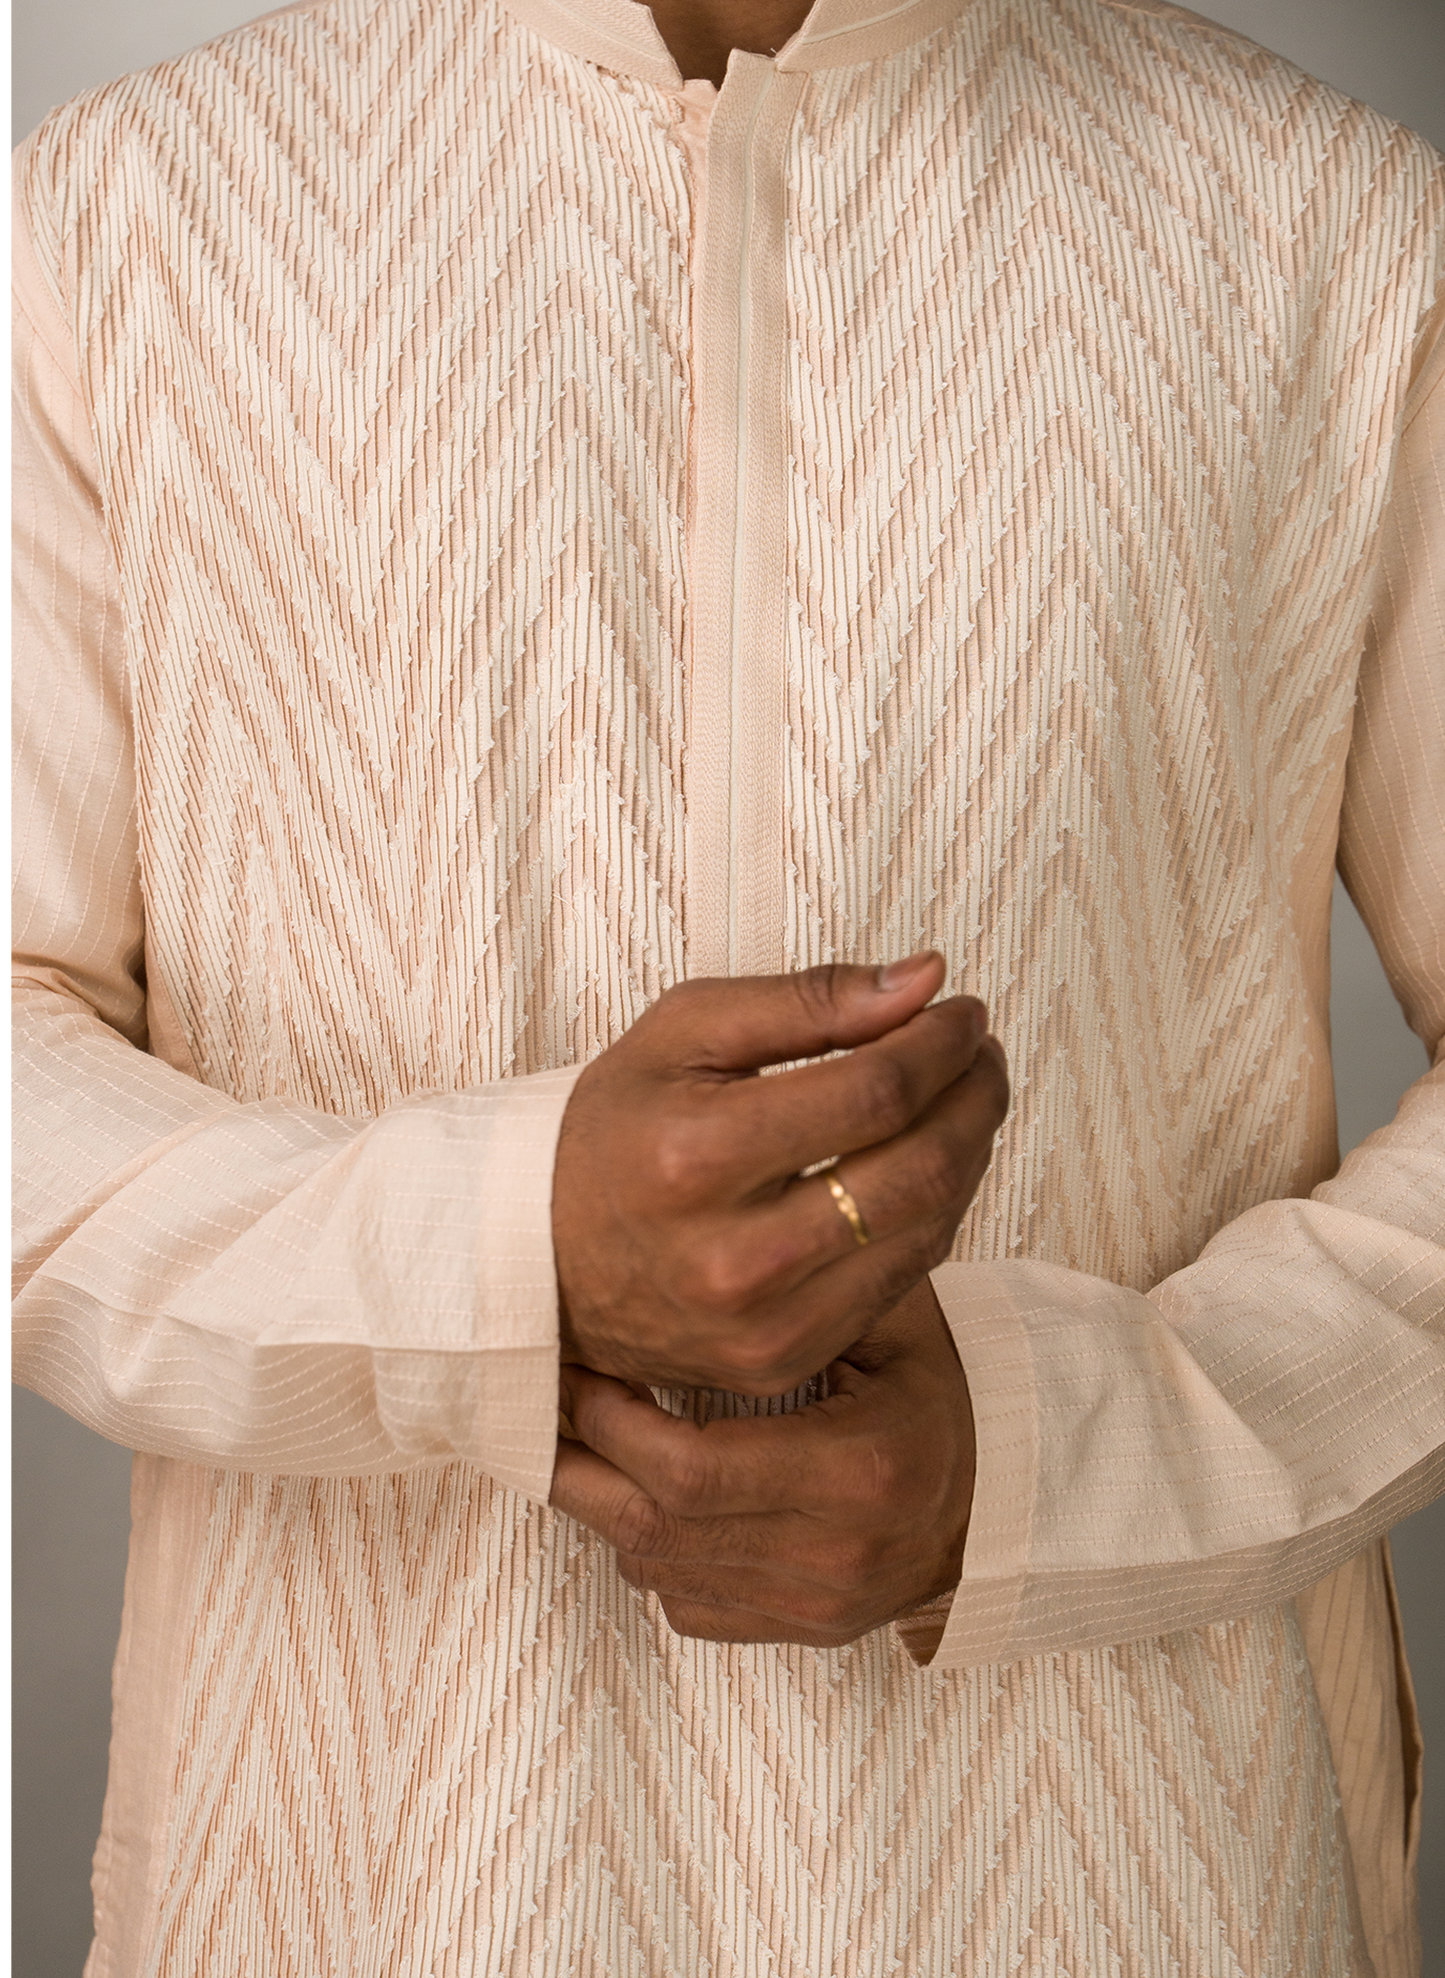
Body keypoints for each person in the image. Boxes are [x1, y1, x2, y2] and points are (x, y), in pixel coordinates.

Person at [12, 0, 1444, 1969]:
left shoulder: (1326, 235)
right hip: (377, 1881)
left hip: (1136, 1877)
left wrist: (1040, 1462)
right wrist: (502, 1250)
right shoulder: (118, 224)